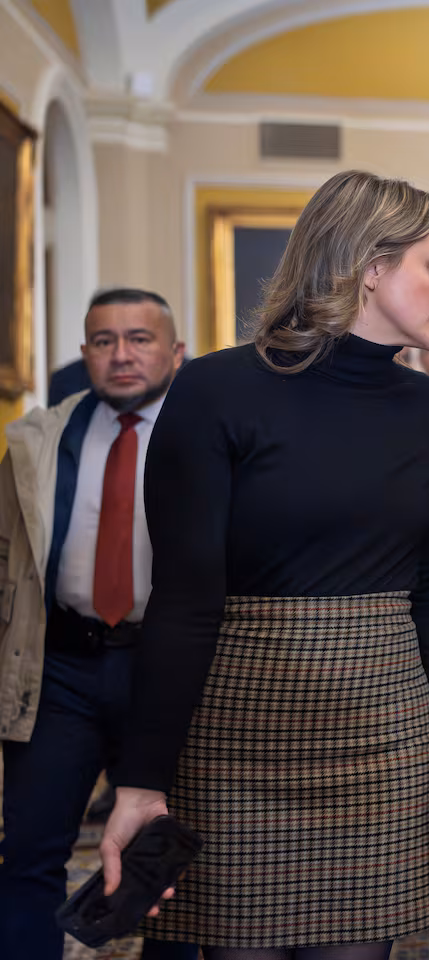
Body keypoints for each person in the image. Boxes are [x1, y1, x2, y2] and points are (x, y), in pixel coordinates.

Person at [99, 171, 429, 959]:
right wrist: (142, 779)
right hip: (234, 740)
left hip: (383, 741)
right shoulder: (216, 391)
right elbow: (183, 602)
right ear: (369, 266)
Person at [0, 288, 195, 959]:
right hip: (62, 669)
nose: (121, 355)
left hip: (167, 670)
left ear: (176, 352)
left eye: (139, 339)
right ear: (84, 353)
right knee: (29, 852)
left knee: (165, 859)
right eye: (104, 341)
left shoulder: (207, 435)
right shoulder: (39, 439)